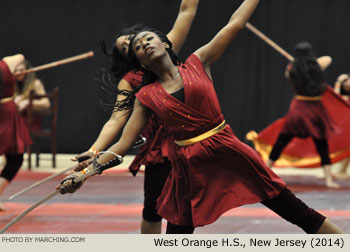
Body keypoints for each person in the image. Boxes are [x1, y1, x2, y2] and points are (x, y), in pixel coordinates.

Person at [59, 0, 343, 234]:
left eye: (148, 38)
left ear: (165, 43)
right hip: (188, 166)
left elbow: (235, 23)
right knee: (177, 235)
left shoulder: (198, 61)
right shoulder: (146, 96)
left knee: (295, 210)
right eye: (137, 47)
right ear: (140, 62)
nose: (144, 43)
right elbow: (122, 144)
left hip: (228, 149)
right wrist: (85, 173)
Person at [72, 0, 199, 234]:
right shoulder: (130, 80)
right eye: (126, 48)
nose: (134, 44)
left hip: (191, 143)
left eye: (134, 39)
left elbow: (187, 10)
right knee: (153, 209)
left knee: (185, 210)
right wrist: (93, 151)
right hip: (159, 149)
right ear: (130, 57)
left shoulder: (165, 52)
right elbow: (116, 120)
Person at [266, 42, 340, 188]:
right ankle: (329, 180)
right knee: (321, 144)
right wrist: (308, 63)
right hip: (315, 109)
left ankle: (266, 170)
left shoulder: (291, 69)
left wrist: (298, 64)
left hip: (299, 108)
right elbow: (328, 59)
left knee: (282, 140)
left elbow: (288, 75)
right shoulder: (318, 67)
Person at [0, 54, 32, 211]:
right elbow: (19, 57)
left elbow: (20, 57)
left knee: (15, 158)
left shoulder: (5, 65)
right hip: (5, 112)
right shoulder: (5, 65)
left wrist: (16, 70)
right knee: (15, 158)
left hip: (6, 113)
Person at [12, 59, 50, 131]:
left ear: (27, 70)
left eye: (21, 70)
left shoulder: (35, 83)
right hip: (18, 118)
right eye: (16, 71)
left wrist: (28, 102)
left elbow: (46, 103)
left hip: (30, 120)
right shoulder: (15, 85)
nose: (18, 73)